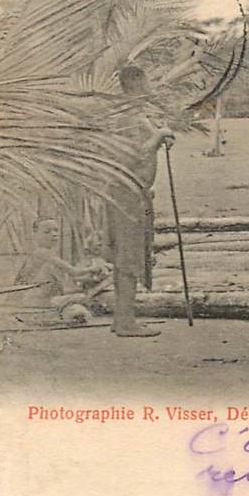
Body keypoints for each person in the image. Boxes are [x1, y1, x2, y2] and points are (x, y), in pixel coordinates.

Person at [106, 66, 175, 337]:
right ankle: (125, 321)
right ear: (135, 82)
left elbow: (144, 148)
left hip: (136, 192)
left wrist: (160, 139)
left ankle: (122, 317)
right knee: (129, 255)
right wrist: (158, 136)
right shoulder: (126, 116)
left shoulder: (136, 114)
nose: (150, 86)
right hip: (126, 193)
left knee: (130, 254)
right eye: (146, 80)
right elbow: (130, 154)